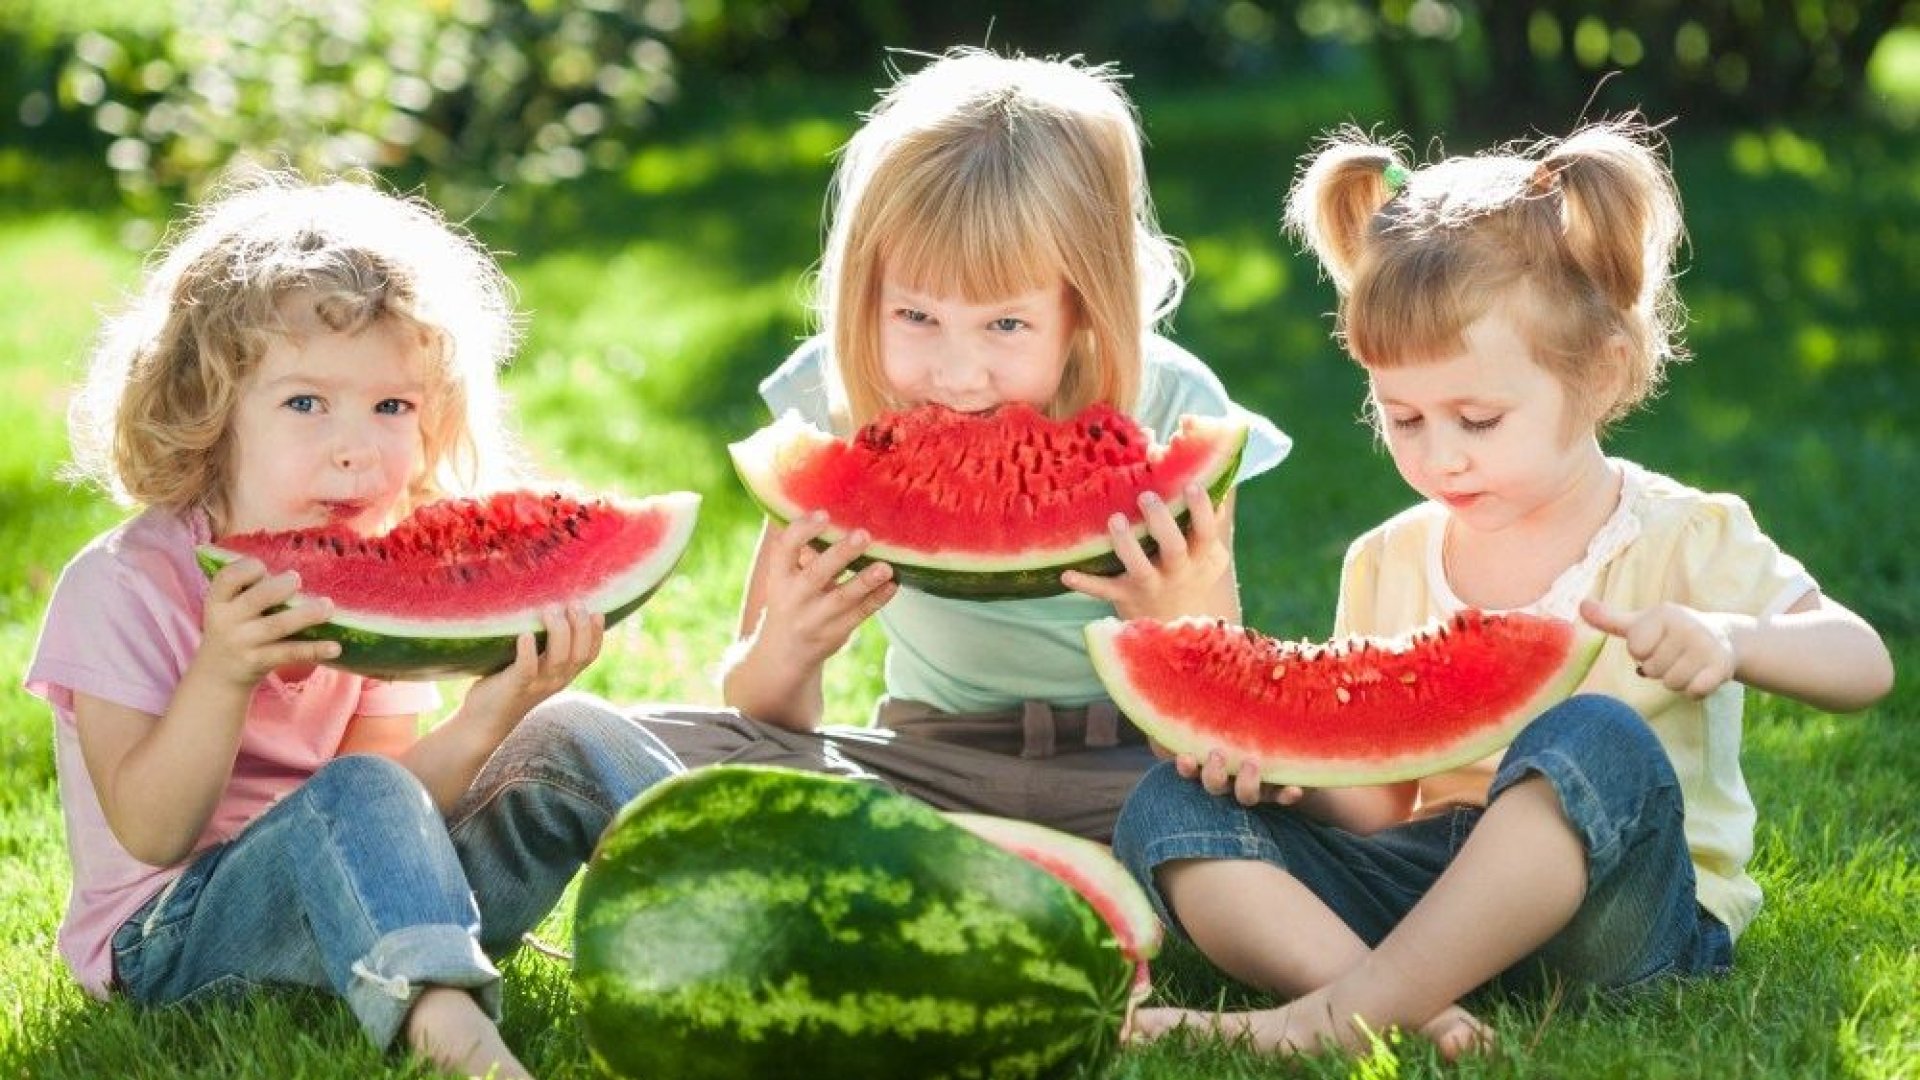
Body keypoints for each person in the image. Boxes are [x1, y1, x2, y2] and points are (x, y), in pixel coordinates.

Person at [1111, 119, 1895, 1058]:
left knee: (1595, 738)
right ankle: (1411, 1009)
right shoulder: (1385, 560)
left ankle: (1331, 1012)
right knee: (1165, 810)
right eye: (1401, 417)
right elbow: (1378, 807)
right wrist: (1283, 773)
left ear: (1599, 375)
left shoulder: (1686, 532)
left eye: (1477, 419)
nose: (1439, 456)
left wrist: (1732, 639)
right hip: (1420, 889)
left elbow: (1865, 663)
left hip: (1615, 919)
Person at [26, 172, 683, 1079]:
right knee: (358, 790)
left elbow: (405, 806)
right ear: (207, 415)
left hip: (373, 902)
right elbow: (150, 831)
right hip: (172, 945)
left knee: (574, 732)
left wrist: (499, 707)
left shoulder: (368, 578)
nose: (356, 445)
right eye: (306, 403)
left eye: (392, 407)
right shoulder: (121, 586)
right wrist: (223, 674)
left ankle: (759, 914)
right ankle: (458, 1038)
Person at [633, 47, 1289, 841]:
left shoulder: (1180, 408)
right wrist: (791, 647)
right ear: (862, 294)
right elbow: (767, 710)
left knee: (1234, 806)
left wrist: (1175, 624)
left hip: (1130, 777)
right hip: (923, 764)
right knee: (643, 749)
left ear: (1085, 304)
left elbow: (1202, 735)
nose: (956, 373)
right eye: (915, 316)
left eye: (1006, 324)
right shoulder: (833, 394)